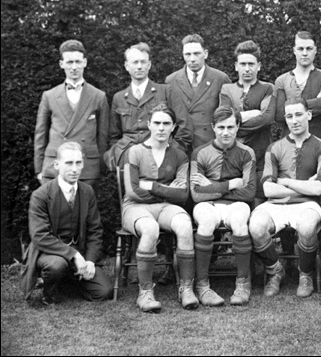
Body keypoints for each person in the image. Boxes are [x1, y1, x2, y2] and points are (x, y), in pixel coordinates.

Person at [250, 98, 321, 298]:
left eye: (298, 114)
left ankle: (306, 274)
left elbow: (319, 188)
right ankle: (275, 270)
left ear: (309, 115)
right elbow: (268, 189)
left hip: (307, 205)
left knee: (306, 226)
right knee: (256, 226)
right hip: (275, 205)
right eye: (289, 116)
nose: (294, 120)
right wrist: (305, 186)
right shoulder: (275, 148)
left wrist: (285, 182)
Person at [121, 103, 196, 312]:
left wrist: (153, 186)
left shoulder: (179, 155)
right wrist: (166, 189)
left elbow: (182, 194)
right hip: (135, 207)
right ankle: (145, 292)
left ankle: (186, 288)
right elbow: (133, 190)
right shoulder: (134, 152)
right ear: (149, 125)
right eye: (157, 123)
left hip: (165, 207)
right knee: (150, 228)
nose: (161, 128)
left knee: (184, 224)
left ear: (173, 127)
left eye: (166, 123)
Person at [20, 142, 113, 304]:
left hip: (81, 251)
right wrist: (74, 255)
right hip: (50, 252)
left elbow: (95, 230)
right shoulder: (41, 195)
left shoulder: (87, 191)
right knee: (56, 266)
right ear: (57, 165)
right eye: (69, 163)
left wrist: (90, 260)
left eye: (78, 163)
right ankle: (49, 293)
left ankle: (66, 283)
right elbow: (40, 236)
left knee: (104, 291)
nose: (75, 169)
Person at [190, 106, 256, 306]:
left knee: (239, 222)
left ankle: (243, 282)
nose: (225, 132)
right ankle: (202, 285)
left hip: (237, 203)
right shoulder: (200, 153)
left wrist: (210, 186)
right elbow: (196, 194)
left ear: (237, 127)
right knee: (206, 222)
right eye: (221, 127)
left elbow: (249, 192)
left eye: (230, 127)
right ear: (213, 127)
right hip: (207, 204)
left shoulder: (247, 152)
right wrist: (230, 184)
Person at [34, 40, 109, 188]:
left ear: (85, 63)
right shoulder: (49, 96)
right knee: (55, 210)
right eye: (69, 62)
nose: (74, 67)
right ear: (61, 64)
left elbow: (103, 136)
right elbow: (40, 134)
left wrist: (100, 168)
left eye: (78, 62)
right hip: (55, 167)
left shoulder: (98, 96)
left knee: (83, 210)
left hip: (87, 168)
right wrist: (39, 169)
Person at [219, 40, 275, 205]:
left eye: (251, 64)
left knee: (259, 203)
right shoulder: (227, 89)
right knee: (235, 203)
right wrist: (250, 114)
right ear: (236, 66)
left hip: (261, 154)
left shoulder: (267, 88)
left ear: (259, 66)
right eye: (243, 64)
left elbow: (266, 119)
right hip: (233, 156)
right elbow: (223, 118)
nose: (247, 68)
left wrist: (234, 123)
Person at [104, 42, 171, 171]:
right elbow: (114, 135)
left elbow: (177, 125)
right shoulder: (119, 97)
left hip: (158, 151)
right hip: (126, 154)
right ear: (126, 66)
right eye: (135, 62)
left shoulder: (164, 91)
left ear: (149, 65)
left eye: (143, 62)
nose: (139, 66)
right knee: (131, 190)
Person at [166, 34, 232, 154]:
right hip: (180, 146)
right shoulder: (171, 81)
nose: (192, 59)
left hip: (210, 146)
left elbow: (227, 116)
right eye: (187, 54)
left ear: (205, 54)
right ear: (183, 55)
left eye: (196, 53)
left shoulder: (220, 79)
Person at [274, 31, 321, 142]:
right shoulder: (282, 80)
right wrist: (315, 102)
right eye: (301, 49)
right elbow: (279, 114)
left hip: (317, 141)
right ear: (294, 51)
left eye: (309, 49)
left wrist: (291, 107)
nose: (305, 53)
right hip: (288, 143)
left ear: (315, 50)